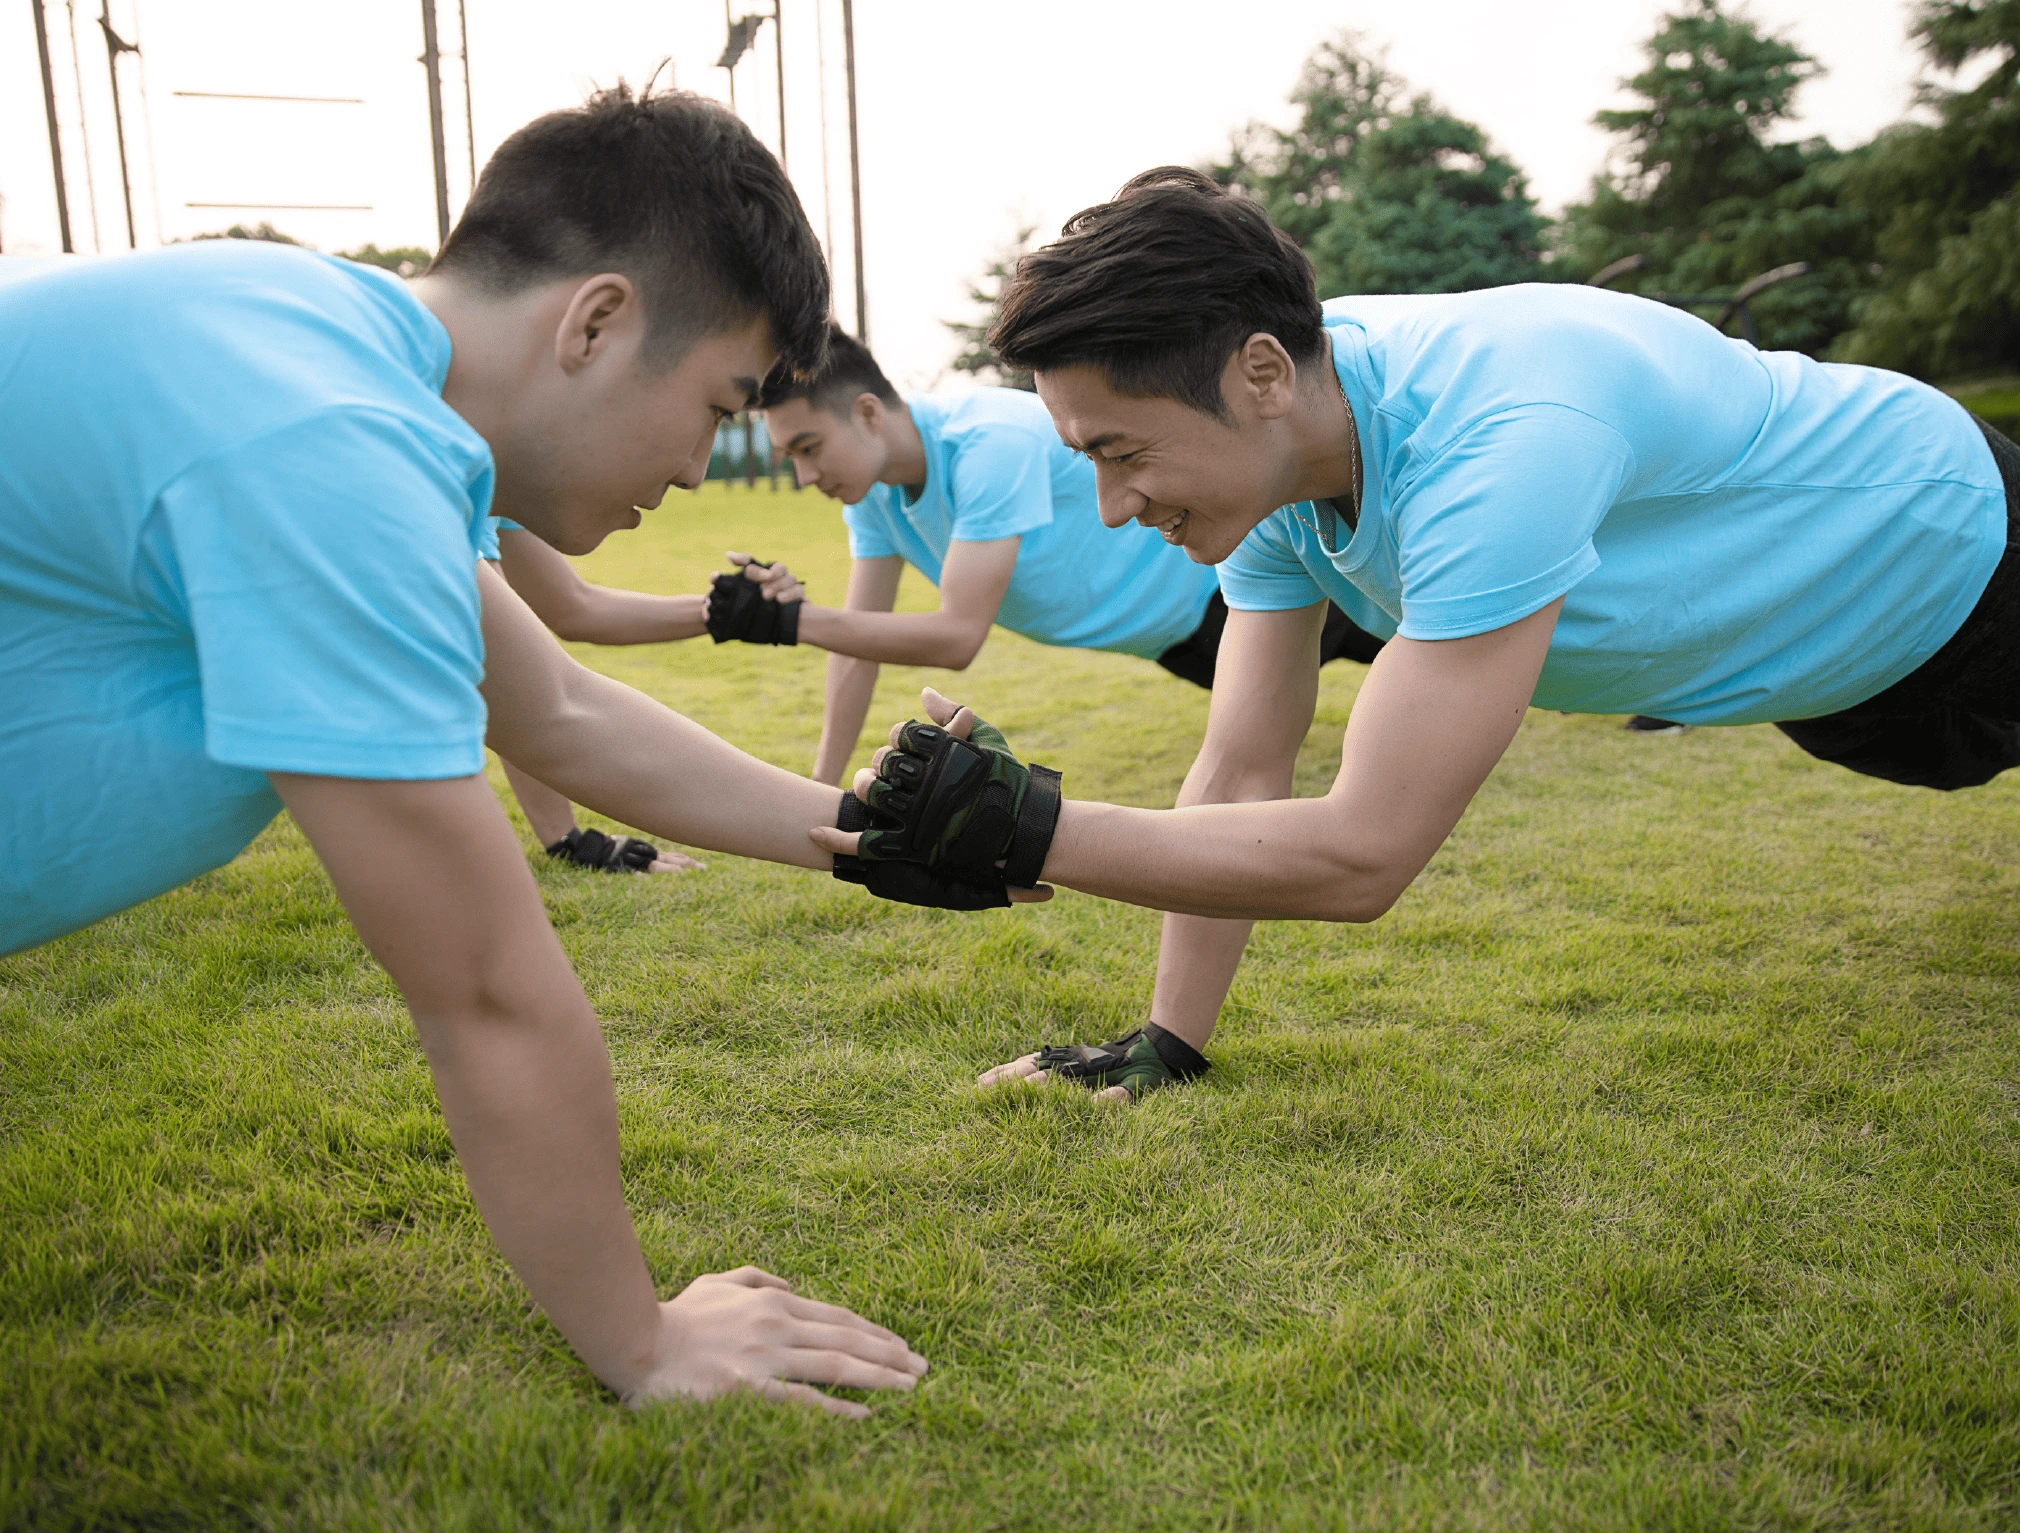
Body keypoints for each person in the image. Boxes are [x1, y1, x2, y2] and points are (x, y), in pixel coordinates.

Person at [0, 86, 944, 1414]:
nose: (697, 466)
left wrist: (873, 834)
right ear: (598, 321)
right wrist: (647, 1343)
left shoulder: (333, 361)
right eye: (721, 404)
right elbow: (485, 982)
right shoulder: (325, 438)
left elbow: (555, 710)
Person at [810, 167, 2020, 1103]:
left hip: (1954, 545)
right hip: (1832, 680)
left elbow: (1363, 853)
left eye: (1120, 453)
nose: (1111, 506)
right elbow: (1242, 764)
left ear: (1256, 374)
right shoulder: (1281, 475)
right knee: (1951, 754)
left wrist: (1030, 826)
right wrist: (1165, 1047)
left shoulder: (1501, 430)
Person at [709, 328, 1382, 786]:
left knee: (1425, 641)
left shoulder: (984, 442)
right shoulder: (873, 498)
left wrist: (789, 620)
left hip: (1233, 589)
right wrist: (822, 789)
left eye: (807, 448)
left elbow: (956, 636)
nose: (802, 475)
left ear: (865, 413)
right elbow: (857, 648)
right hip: (1177, 645)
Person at [487, 521, 801, 872]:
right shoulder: (452, 482)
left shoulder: (489, 490)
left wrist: (725, 611)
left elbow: (572, 606)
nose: (690, 479)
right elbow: (521, 686)